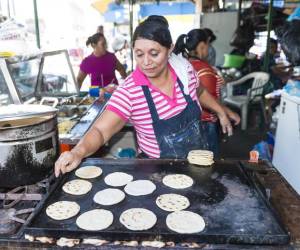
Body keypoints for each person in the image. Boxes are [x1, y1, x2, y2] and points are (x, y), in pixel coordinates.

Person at [54, 16, 233, 177]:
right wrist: (78, 152)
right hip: (158, 175)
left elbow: (199, 90)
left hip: (198, 166)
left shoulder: (184, 70)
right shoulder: (130, 91)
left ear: (169, 49)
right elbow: (101, 131)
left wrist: (221, 111)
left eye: (154, 54)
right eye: (139, 54)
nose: (146, 62)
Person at [174, 29, 240, 156]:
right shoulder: (204, 68)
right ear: (202, 45)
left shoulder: (183, 64)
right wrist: (229, 112)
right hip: (205, 125)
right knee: (208, 163)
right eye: (208, 45)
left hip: (187, 124)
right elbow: (207, 99)